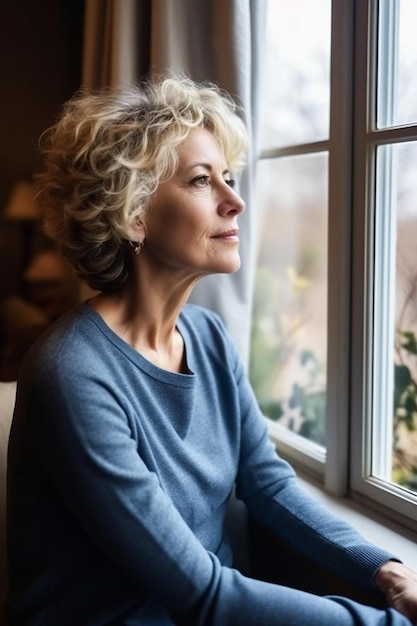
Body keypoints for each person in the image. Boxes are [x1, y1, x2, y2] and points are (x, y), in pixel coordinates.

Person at [6, 75, 417, 626]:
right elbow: (202, 593)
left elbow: (267, 485)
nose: (236, 200)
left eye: (229, 176)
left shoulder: (209, 337)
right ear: (132, 214)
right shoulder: (74, 373)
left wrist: (386, 571)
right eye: (203, 181)